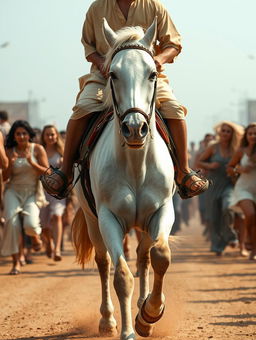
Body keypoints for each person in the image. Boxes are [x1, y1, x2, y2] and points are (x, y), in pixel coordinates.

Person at [41, 0, 209, 200]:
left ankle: (183, 170)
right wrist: (102, 63)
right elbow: (89, 46)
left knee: (175, 110)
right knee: (82, 108)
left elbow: (173, 44)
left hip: (146, 76)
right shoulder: (97, 8)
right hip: (105, 76)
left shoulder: (154, 6)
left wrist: (158, 60)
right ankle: (66, 170)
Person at [1, 120, 49, 275]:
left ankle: (35, 236)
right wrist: (10, 164)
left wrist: (31, 163)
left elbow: (48, 173)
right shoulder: (10, 151)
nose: (21, 136)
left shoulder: (38, 149)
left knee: (31, 225)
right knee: (12, 224)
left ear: (29, 134)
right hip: (12, 191)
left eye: (24, 133)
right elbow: (4, 178)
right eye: (18, 134)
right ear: (14, 136)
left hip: (32, 192)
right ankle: (16, 263)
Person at [198, 121, 244, 256]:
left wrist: (235, 171)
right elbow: (200, 162)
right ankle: (217, 245)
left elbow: (239, 166)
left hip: (228, 184)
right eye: (223, 130)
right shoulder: (213, 147)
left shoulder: (235, 149)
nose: (225, 133)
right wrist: (210, 166)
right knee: (213, 217)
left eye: (228, 131)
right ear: (219, 132)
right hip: (212, 184)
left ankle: (231, 236)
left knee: (227, 207)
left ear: (232, 134)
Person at [227, 123, 256, 260]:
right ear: (246, 135)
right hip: (244, 188)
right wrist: (240, 169)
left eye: (255, 134)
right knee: (250, 214)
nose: (253, 136)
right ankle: (248, 240)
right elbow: (230, 168)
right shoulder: (241, 151)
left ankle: (253, 250)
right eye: (250, 133)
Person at [40, 125, 66, 261]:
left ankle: (57, 249)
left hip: (58, 192)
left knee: (57, 216)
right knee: (43, 224)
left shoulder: (63, 152)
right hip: (41, 191)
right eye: (47, 135)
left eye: (52, 134)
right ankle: (48, 242)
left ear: (56, 136)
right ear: (43, 137)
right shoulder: (39, 151)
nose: (50, 137)